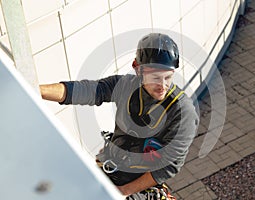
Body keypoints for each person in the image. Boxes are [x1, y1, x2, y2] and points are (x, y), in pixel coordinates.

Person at [40, 33, 199, 199]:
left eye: (168, 77)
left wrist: (123, 192)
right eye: (155, 78)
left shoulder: (183, 112)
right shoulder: (125, 86)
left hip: (139, 184)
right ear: (137, 68)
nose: (162, 85)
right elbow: (85, 90)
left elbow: (168, 167)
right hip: (111, 167)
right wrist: (36, 91)